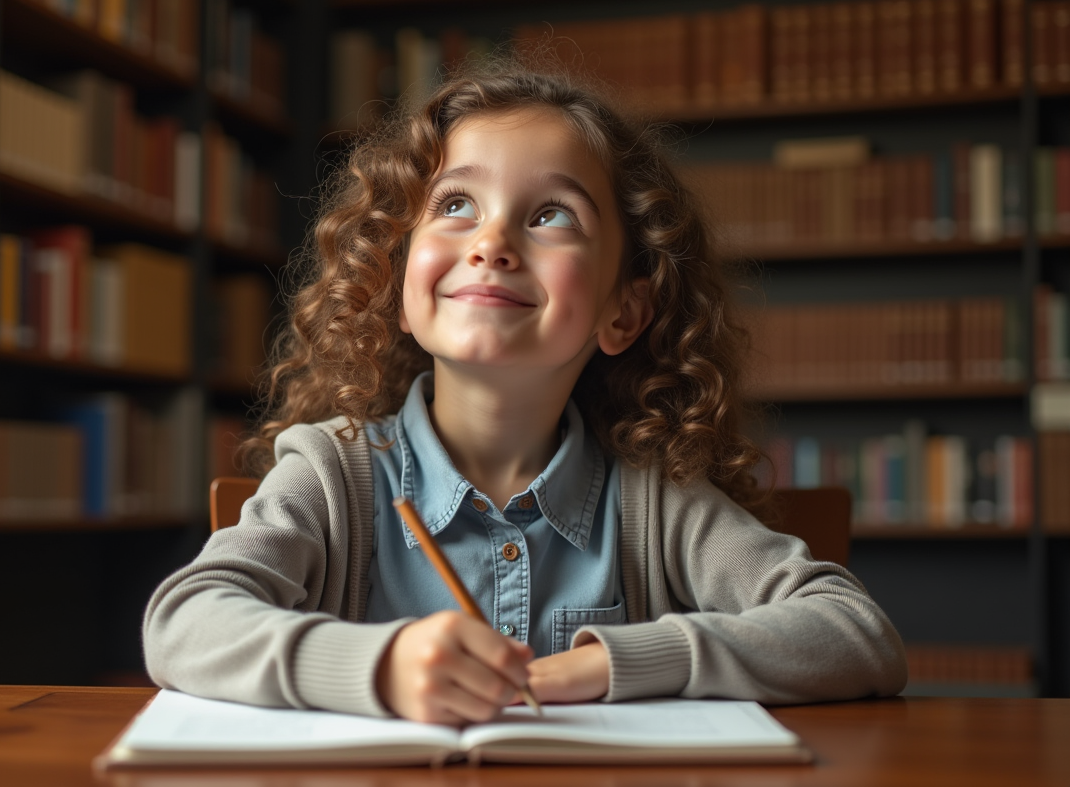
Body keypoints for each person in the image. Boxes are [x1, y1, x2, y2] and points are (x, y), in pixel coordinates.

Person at [143, 54, 908, 727]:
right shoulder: (331, 473)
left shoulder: (655, 497)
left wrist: (618, 662)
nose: (491, 243)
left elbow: (853, 632)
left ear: (624, 310)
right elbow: (183, 623)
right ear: (397, 282)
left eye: (551, 215)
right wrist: (381, 666)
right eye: (454, 205)